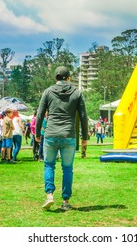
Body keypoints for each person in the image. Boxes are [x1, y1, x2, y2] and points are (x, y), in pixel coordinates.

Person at [35, 66, 89, 211]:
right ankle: (65, 201)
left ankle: (49, 195)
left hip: (51, 134)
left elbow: (40, 114)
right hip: (68, 135)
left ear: (55, 78)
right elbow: (83, 116)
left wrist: (37, 133)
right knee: (67, 168)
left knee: (49, 165)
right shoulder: (77, 93)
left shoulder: (47, 92)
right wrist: (85, 137)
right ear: (69, 78)